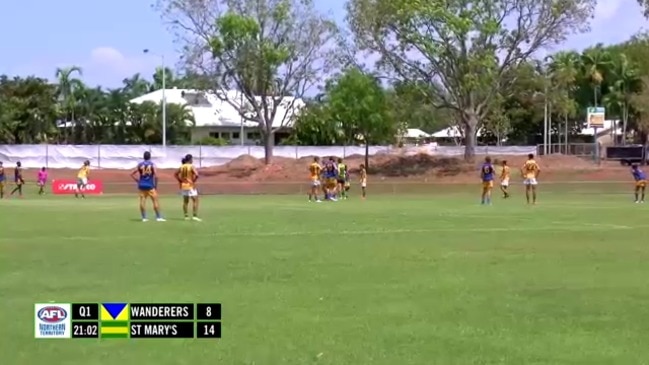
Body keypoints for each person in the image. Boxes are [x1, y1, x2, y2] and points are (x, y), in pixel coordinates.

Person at [130, 151, 165, 222]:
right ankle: (158, 217)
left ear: (144, 157)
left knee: (142, 201)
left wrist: (137, 180)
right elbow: (156, 176)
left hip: (142, 185)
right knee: (155, 201)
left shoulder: (140, 165)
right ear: (150, 157)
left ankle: (144, 218)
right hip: (150, 185)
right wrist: (155, 186)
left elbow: (131, 174)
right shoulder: (152, 165)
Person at [175, 154, 201, 221]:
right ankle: (194, 216)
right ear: (190, 159)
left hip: (184, 185)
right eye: (192, 159)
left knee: (185, 201)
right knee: (195, 200)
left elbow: (175, 174)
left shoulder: (182, 166)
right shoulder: (191, 166)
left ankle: (186, 216)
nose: (192, 160)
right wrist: (193, 181)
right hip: (190, 185)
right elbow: (197, 174)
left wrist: (180, 181)